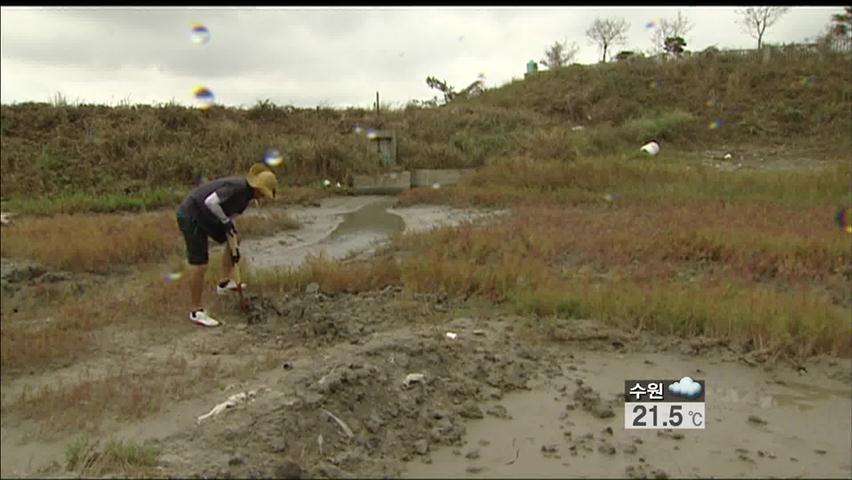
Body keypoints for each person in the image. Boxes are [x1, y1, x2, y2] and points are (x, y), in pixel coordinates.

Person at [176, 163, 278, 326]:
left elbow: (230, 221)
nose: (263, 197)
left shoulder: (245, 198)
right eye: (263, 194)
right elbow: (211, 202)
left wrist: (234, 248)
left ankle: (224, 283)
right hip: (191, 215)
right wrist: (224, 221)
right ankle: (196, 311)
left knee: (235, 239)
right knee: (200, 264)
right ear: (258, 189)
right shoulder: (237, 188)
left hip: (208, 216)